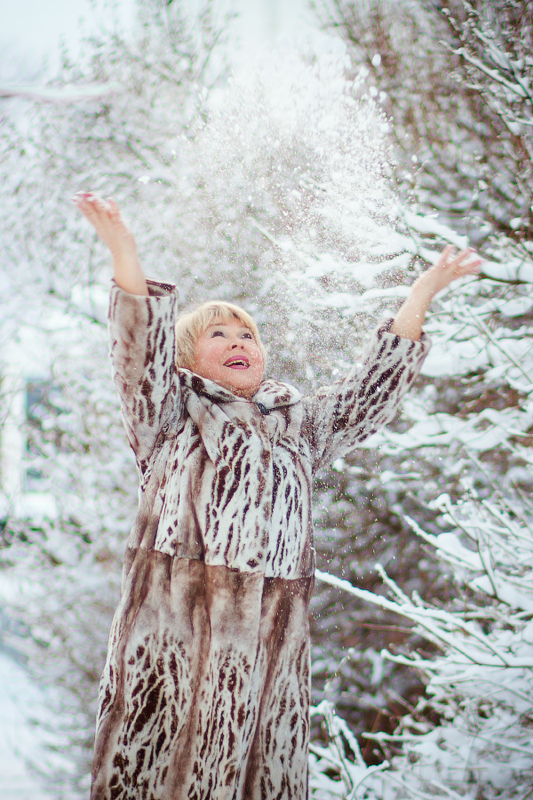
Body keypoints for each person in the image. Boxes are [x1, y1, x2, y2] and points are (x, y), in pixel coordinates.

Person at [74, 191, 481, 800]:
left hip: (266, 673)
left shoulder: (300, 428)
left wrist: (423, 291)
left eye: (248, 334)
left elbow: (370, 392)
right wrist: (124, 252)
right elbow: (140, 353)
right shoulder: (169, 418)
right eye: (218, 333)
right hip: (169, 660)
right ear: (188, 358)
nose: (239, 341)